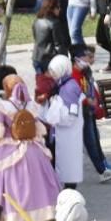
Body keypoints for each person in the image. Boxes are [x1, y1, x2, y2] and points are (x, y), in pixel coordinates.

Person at [0, 76, 61, 221]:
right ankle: (42, 213)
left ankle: (11, 217)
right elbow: (39, 128)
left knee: (2, 181)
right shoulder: (30, 104)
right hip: (32, 147)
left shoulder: (2, 105)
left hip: (8, 146)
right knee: (38, 181)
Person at [72, 45, 111, 182]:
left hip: (89, 111)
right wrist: (87, 101)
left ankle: (104, 164)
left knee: (95, 139)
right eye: (85, 56)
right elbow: (74, 95)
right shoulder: (73, 75)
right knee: (90, 142)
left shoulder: (85, 73)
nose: (88, 59)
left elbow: (90, 88)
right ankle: (102, 170)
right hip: (81, 112)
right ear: (76, 59)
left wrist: (96, 103)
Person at [45, 54, 85, 189]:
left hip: (68, 137)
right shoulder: (64, 84)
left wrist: (56, 115)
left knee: (68, 170)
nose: (51, 74)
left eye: (54, 71)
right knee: (66, 168)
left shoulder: (70, 87)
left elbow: (71, 116)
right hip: (65, 136)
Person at [31, 0, 70, 74]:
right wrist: (65, 59)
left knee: (41, 82)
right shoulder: (55, 23)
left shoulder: (37, 21)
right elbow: (58, 45)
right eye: (57, 7)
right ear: (52, 9)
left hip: (36, 57)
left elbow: (36, 37)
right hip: (48, 59)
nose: (59, 9)